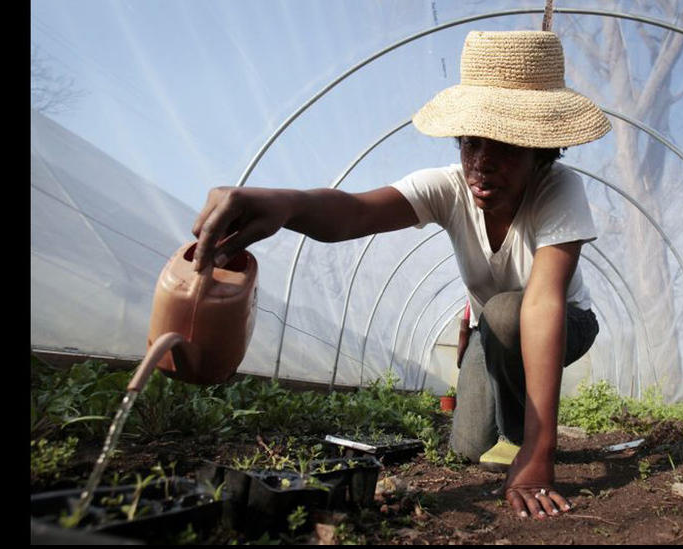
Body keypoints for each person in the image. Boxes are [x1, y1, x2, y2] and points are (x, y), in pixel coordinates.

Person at [191, 30, 611, 520]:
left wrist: (538, 454)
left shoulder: (559, 189)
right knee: (467, 448)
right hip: (491, 328)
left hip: (565, 323)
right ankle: (504, 416)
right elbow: (353, 213)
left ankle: (524, 438)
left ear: (541, 150)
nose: (482, 164)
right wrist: (285, 204)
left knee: (508, 313)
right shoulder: (447, 188)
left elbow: (542, 304)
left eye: (507, 147)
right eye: (471, 143)